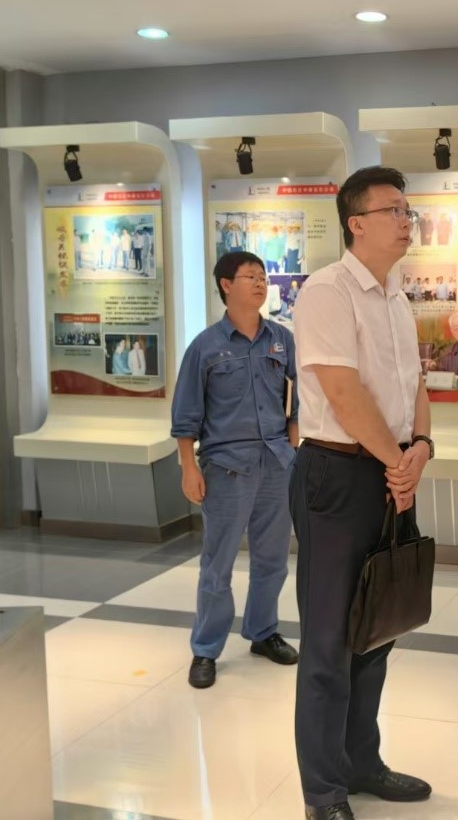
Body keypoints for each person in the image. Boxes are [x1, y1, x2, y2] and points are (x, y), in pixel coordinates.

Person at [291, 166, 434, 819]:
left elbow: (415, 386)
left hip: (390, 467)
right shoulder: (327, 292)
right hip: (338, 472)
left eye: (408, 210)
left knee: (377, 626)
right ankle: (324, 792)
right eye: (393, 210)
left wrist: (420, 448)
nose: (407, 220)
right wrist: (398, 461)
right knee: (328, 643)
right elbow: (343, 395)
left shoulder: (397, 296)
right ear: (356, 223)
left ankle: (361, 762)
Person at [170, 251, 300, 690]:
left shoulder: (282, 340)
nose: (261, 283)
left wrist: (293, 450)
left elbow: (296, 401)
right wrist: (188, 468)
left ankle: (263, 632)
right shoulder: (205, 347)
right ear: (226, 285)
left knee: (273, 561)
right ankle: (206, 649)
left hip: (276, 464)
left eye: (263, 276)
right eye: (250, 276)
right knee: (217, 565)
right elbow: (186, 415)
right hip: (226, 468)